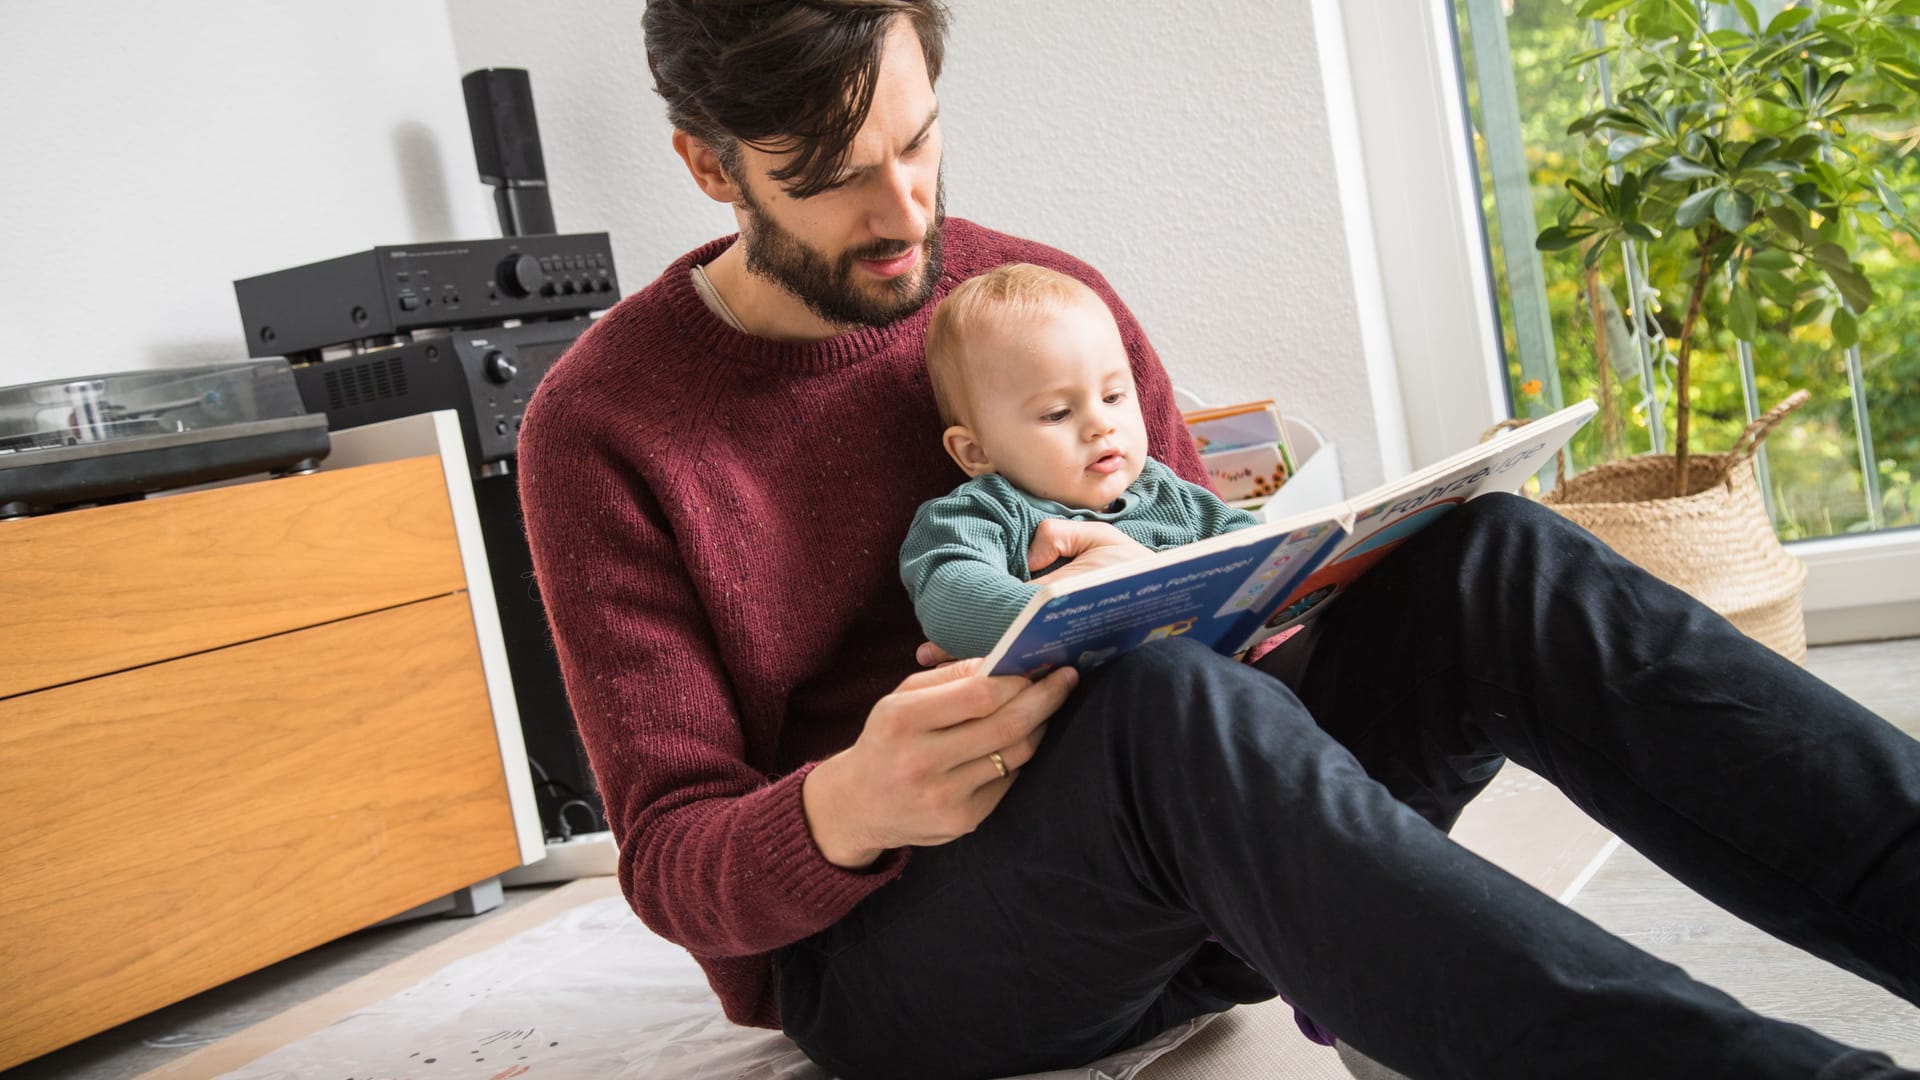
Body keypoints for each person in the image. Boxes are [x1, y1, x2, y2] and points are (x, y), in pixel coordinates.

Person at [515, 2, 1920, 1077]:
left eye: (920, 137)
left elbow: (1241, 596)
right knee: (1165, 707)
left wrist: (1264, 581)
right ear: (709, 165)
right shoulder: (601, 430)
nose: (904, 211)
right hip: (903, 955)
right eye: (829, 174)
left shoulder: (1035, 301)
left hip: (1213, 861)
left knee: (1498, 559)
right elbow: (669, 860)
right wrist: (849, 806)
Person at [900, 262, 1259, 660]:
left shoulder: (1168, 493)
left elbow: (1259, 556)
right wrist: (1084, 618)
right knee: (1170, 663)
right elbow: (952, 594)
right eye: (1057, 414)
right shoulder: (983, 514)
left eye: (1113, 397)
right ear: (976, 451)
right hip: (1106, 702)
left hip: (1217, 687)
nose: (1100, 425)